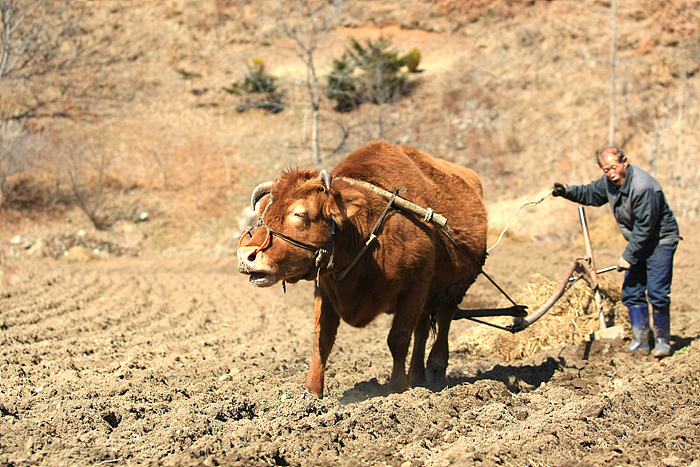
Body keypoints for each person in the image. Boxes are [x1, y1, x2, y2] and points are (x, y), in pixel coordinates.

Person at [552, 146, 682, 357]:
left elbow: (645, 227)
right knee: (631, 291)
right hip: (639, 242)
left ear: (625, 162)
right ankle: (641, 341)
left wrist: (628, 256)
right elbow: (591, 193)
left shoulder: (643, 187)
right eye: (606, 170)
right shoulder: (610, 183)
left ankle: (662, 342)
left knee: (657, 292)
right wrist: (567, 191)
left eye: (614, 167)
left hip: (660, 240)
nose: (611, 174)